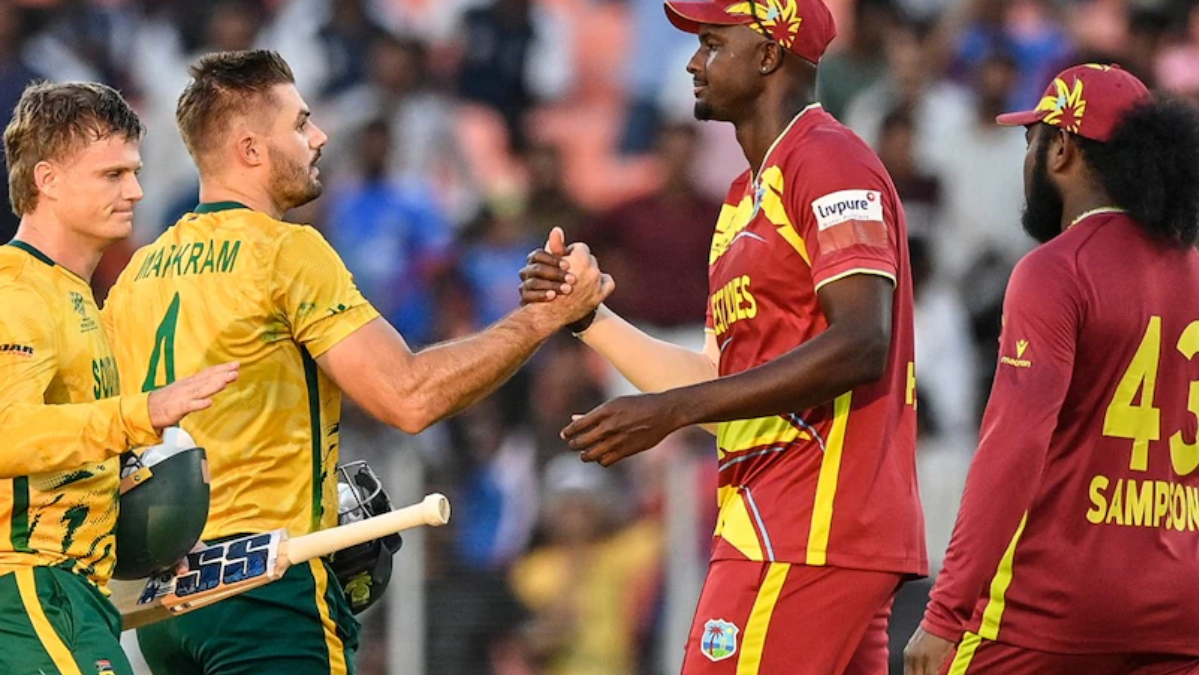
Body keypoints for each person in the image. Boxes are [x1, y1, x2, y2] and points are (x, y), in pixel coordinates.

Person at [101, 50, 609, 675]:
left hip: (166, 606)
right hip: (266, 588)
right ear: (252, 149)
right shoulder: (286, 252)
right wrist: (542, 319)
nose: (319, 137)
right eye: (301, 123)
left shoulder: (135, 276)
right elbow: (410, 396)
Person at [520, 0, 926, 672]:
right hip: (784, 521)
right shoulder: (742, 195)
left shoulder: (826, 160)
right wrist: (588, 318)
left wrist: (669, 414)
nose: (692, 61)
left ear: (768, 54)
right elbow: (718, 382)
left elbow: (862, 341)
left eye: (712, 43)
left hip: (804, 525)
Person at [903, 64, 1199, 675]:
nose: (1027, 160)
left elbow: (1013, 447)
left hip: (1051, 607)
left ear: (1061, 147)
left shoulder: (1055, 270)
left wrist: (944, 611)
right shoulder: (1192, 268)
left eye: (1030, 140)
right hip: (1179, 609)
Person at [0, 81, 238, 675]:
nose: (135, 190)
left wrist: (162, 541)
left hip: (71, 595)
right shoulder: (15, 292)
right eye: (112, 175)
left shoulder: (77, 298)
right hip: (26, 593)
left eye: (133, 172)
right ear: (47, 180)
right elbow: (5, 434)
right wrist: (145, 412)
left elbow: (75, 465)